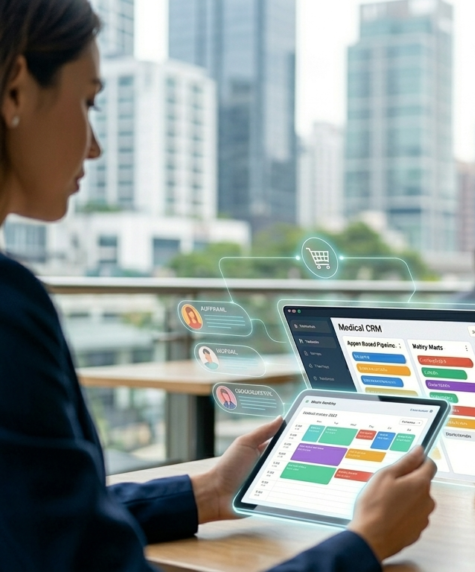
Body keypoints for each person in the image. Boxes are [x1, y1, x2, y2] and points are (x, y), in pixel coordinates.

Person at [0, 2, 436, 569]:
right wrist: (364, 543)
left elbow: (40, 518)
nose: (95, 145)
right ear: (16, 90)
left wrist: (209, 490)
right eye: (88, 102)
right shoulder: (9, 307)